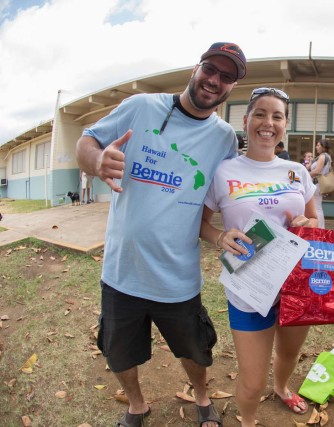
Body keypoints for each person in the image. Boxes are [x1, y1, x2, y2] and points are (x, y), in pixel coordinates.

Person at [75, 41, 248, 427]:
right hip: (122, 273)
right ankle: (137, 405)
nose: (214, 80)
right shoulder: (141, 107)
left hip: (178, 278)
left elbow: (228, 197)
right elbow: (86, 140)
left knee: (196, 352)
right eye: (210, 69)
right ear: (196, 68)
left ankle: (202, 398)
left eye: (226, 76)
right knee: (119, 355)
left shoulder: (224, 140)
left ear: (231, 87)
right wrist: (98, 159)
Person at [200, 87, 317, 427]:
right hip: (249, 288)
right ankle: (248, 421)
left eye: (277, 116)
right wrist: (220, 236)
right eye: (261, 114)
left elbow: (315, 221)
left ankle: (282, 387)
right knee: (252, 381)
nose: (268, 123)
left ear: (285, 125)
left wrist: (308, 224)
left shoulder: (296, 171)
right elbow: (201, 224)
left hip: (297, 284)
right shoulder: (223, 171)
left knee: (289, 353)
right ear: (246, 120)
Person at [307, 139, 332, 228]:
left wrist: (304, 176)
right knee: (317, 206)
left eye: (318, 145)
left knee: (317, 207)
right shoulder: (326, 156)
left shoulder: (323, 156)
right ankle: (320, 227)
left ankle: (320, 228)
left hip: (316, 184)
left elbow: (317, 171)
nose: (316, 147)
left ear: (323, 146)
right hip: (319, 185)